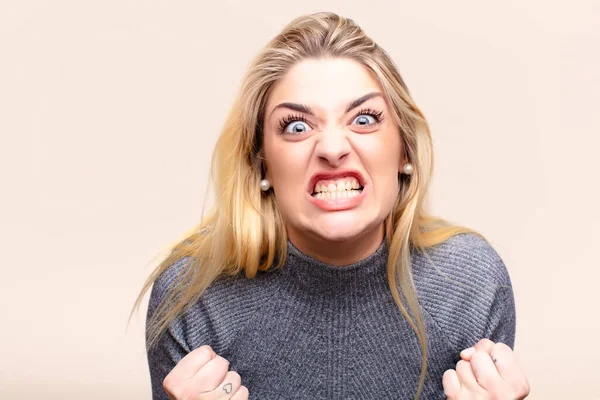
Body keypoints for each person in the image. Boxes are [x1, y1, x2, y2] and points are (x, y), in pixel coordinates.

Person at [132, 12, 530, 400]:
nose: (333, 149)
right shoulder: (192, 293)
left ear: (405, 150)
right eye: (297, 127)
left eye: (364, 119)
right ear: (261, 162)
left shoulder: (469, 283)